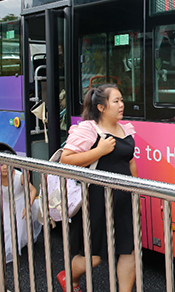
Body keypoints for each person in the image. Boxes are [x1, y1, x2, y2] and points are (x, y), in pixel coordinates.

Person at [58, 84, 137, 292]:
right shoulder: (88, 130)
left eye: (121, 100)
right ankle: (69, 278)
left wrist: (137, 189)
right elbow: (66, 159)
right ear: (101, 107)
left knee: (128, 250)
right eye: (116, 101)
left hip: (124, 200)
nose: (122, 105)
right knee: (94, 257)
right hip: (97, 201)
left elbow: (130, 162)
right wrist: (100, 151)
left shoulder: (125, 129)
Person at [0, 164, 42, 266]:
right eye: (2, 165)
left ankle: (20, 240)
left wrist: (28, 205)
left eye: (8, 164)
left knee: (17, 226)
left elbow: (32, 190)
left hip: (20, 203)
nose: (5, 167)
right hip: (4, 204)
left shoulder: (19, 177)